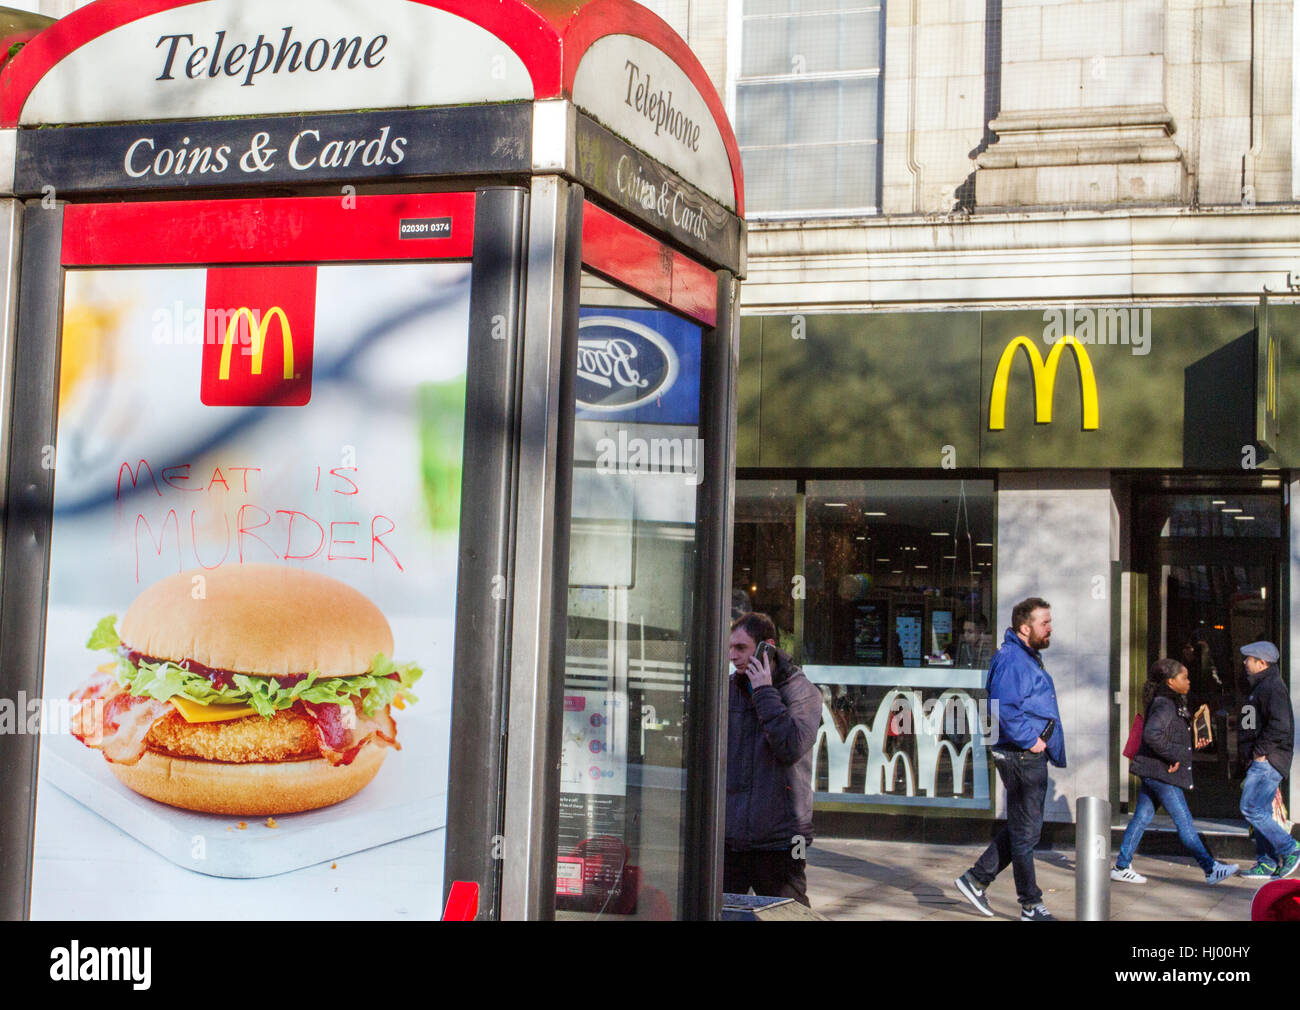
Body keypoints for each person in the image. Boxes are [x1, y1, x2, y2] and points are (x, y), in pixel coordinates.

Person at [954, 597, 1063, 921]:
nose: (1050, 627)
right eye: (1044, 622)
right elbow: (1001, 707)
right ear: (1024, 627)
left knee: (1022, 828)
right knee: (1026, 833)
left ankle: (976, 879)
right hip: (1021, 757)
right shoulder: (1014, 659)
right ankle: (1030, 904)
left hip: (1022, 755)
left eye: (1049, 621)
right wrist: (1032, 741)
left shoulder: (1023, 656)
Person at [1110, 657, 1238, 885]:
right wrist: (1172, 755)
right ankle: (1210, 869)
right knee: (1184, 822)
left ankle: (1121, 865)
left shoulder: (1170, 701)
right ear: (1171, 681)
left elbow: (1166, 734)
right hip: (1162, 773)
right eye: (1184, 678)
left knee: (1142, 817)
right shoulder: (1164, 704)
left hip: (1154, 771)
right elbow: (1151, 735)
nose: (1188, 682)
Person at [725, 611, 822, 906]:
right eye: (730, 648)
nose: (733, 656)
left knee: (788, 912)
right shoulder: (729, 689)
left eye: (741, 648)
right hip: (732, 838)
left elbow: (790, 747)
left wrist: (765, 692)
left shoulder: (803, 693)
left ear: (766, 647)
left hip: (782, 840)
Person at [1235, 641, 1300, 880]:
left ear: (1262, 663)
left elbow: (1280, 726)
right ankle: (1266, 862)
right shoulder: (1259, 687)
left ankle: (1290, 848)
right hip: (1261, 759)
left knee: (1250, 807)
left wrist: (1259, 753)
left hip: (1268, 760)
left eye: (1249, 659)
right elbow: (1251, 722)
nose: (1245, 662)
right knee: (1260, 810)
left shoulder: (1272, 687)